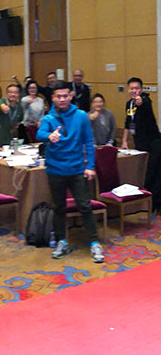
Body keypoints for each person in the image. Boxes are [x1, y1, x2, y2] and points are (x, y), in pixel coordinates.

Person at [36, 82, 103, 263]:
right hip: (55, 170)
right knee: (58, 208)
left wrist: (90, 166)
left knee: (85, 206)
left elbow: (88, 142)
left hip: (76, 169)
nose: (62, 99)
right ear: (53, 98)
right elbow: (39, 134)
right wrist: (49, 136)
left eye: (65, 96)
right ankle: (61, 241)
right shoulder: (49, 118)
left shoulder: (81, 116)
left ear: (71, 96)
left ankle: (94, 242)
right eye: (58, 96)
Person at [122, 77, 161, 209]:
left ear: (141, 89)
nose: (134, 91)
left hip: (153, 143)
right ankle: (147, 203)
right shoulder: (129, 104)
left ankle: (155, 205)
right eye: (131, 88)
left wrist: (141, 101)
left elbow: (143, 101)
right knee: (142, 171)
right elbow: (128, 122)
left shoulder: (145, 99)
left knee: (153, 173)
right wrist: (124, 140)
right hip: (139, 143)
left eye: (137, 88)